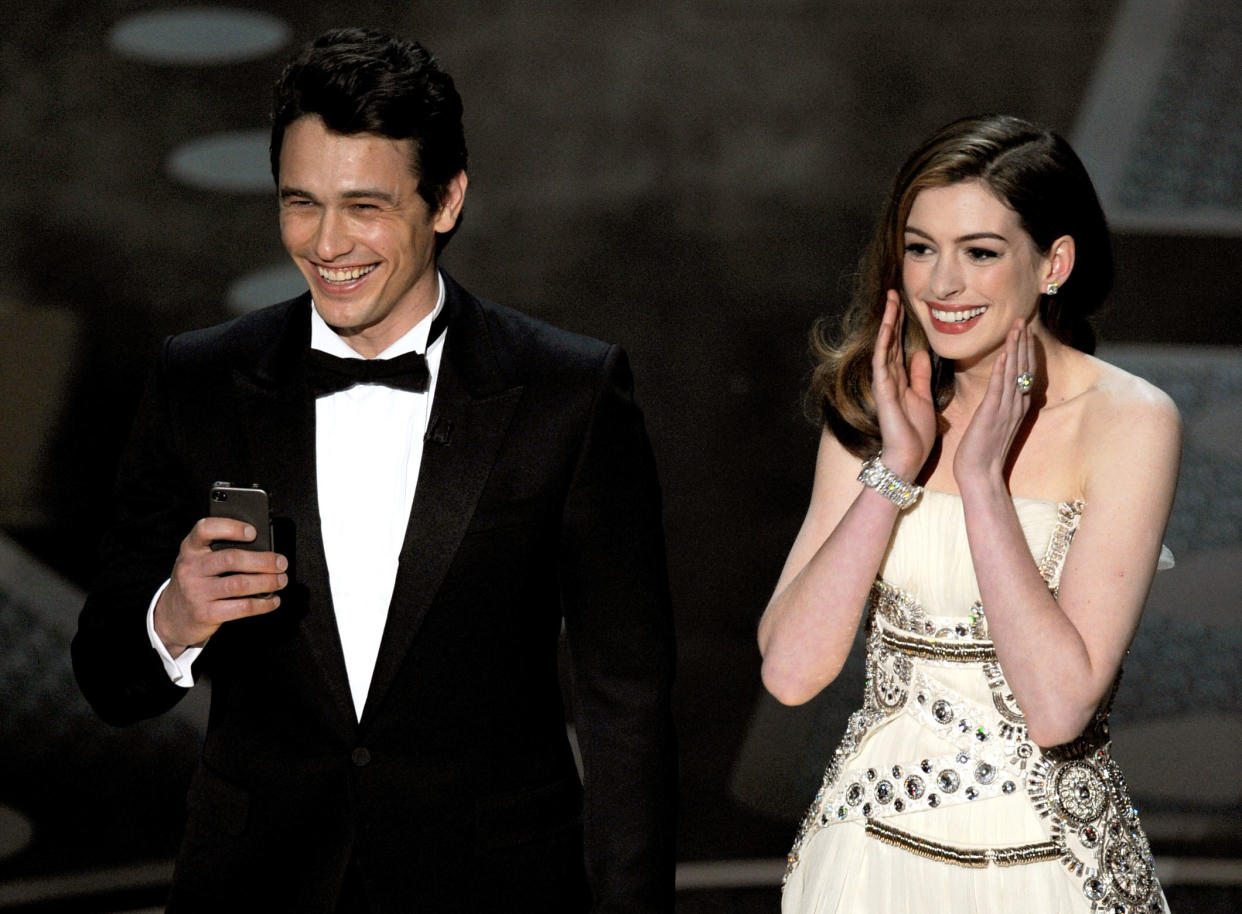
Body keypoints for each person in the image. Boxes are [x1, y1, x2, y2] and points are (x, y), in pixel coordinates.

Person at [72, 28, 676, 914]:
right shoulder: (197, 379)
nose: (326, 243)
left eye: (365, 206)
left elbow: (628, 703)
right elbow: (105, 677)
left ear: (446, 200)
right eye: (299, 202)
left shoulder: (569, 392)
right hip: (255, 885)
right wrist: (175, 614)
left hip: (494, 887)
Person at [758, 114, 1179, 913]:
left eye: (980, 253)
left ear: (1053, 262)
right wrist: (897, 468)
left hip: (1047, 867)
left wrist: (983, 481)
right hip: (865, 858)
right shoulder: (874, 405)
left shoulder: (1130, 420)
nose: (940, 285)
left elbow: (1058, 708)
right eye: (921, 248)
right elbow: (790, 673)